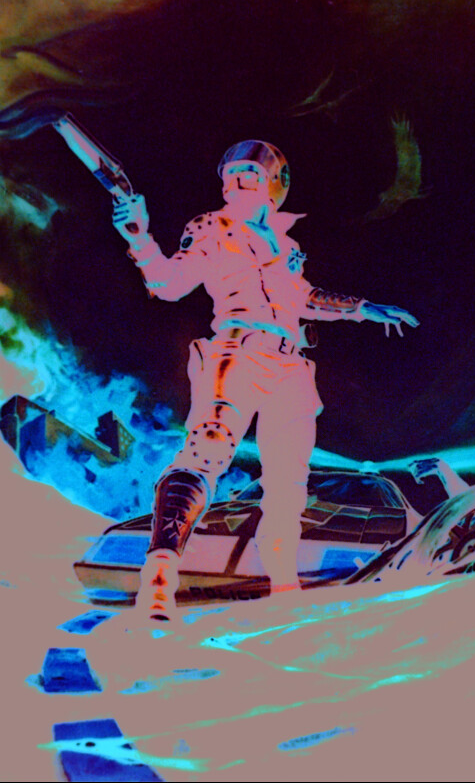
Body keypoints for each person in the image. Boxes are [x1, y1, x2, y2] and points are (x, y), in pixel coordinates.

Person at [112, 139, 419, 623]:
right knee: (204, 454)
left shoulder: (287, 246)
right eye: (231, 174)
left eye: (250, 173)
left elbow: (304, 297)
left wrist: (363, 309)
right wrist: (140, 238)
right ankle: (158, 582)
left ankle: (284, 590)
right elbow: (168, 284)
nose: (237, 181)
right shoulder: (211, 227)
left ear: (274, 184)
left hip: (291, 367)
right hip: (237, 351)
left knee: (288, 486)